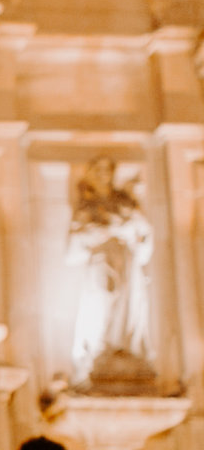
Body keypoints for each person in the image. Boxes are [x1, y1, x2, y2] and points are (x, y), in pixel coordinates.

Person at [67, 155, 154, 384]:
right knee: (103, 303)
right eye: (99, 170)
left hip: (126, 260)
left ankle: (125, 349)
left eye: (107, 170)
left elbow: (144, 231)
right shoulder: (86, 205)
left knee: (129, 304)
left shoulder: (124, 201)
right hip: (101, 262)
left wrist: (129, 230)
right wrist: (107, 231)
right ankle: (99, 351)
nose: (103, 175)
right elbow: (74, 247)